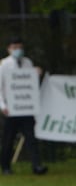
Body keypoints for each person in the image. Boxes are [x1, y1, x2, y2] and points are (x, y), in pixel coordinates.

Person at [0, 37, 47, 175]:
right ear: (9, 49)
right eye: (15, 48)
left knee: (31, 137)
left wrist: (36, 73)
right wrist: (3, 106)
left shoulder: (27, 62)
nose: (18, 50)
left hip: (25, 108)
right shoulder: (3, 65)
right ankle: (6, 166)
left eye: (20, 47)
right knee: (9, 139)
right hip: (11, 108)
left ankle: (36, 165)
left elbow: (29, 84)